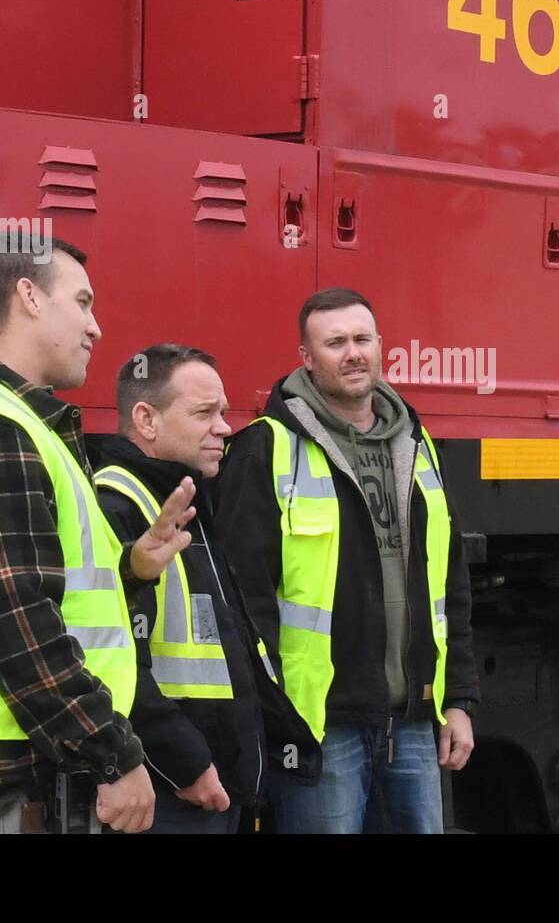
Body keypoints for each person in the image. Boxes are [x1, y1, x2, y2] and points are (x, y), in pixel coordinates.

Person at [0, 232, 195, 834]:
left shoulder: (9, 422)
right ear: (29, 297)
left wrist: (130, 567)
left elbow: (35, 590)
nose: (96, 327)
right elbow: (12, 619)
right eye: (83, 302)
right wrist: (114, 755)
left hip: (3, 772)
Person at [215, 287, 479, 833]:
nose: (352, 353)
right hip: (321, 724)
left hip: (410, 718)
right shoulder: (265, 449)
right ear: (307, 359)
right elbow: (243, 599)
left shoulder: (418, 443)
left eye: (362, 339)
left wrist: (458, 701)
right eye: (334, 343)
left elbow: (451, 584)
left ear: (382, 346)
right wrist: (269, 718)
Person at [94, 344, 314, 833]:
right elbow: (113, 661)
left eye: (223, 411)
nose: (225, 427)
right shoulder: (118, 505)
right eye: (204, 413)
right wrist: (187, 764)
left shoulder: (187, 495)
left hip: (207, 786)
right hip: (169, 792)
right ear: (146, 419)